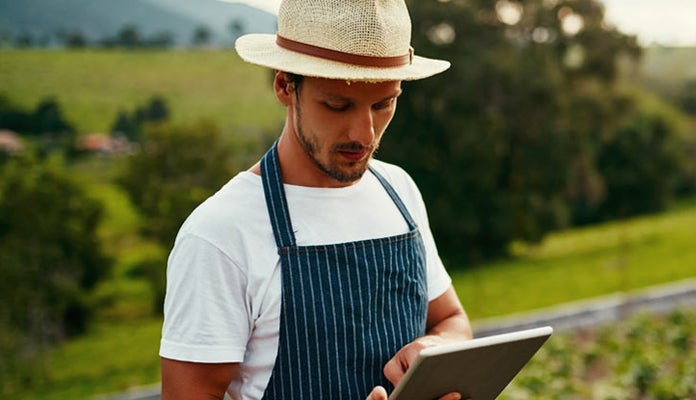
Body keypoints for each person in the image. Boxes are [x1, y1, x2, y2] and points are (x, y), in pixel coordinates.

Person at [158, 1, 472, 399]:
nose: (365, 133)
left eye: (384, 103)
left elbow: (451, 320)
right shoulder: (220, 234)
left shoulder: (399, 190)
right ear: (284, 86)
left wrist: (435, 348)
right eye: (338, 105)